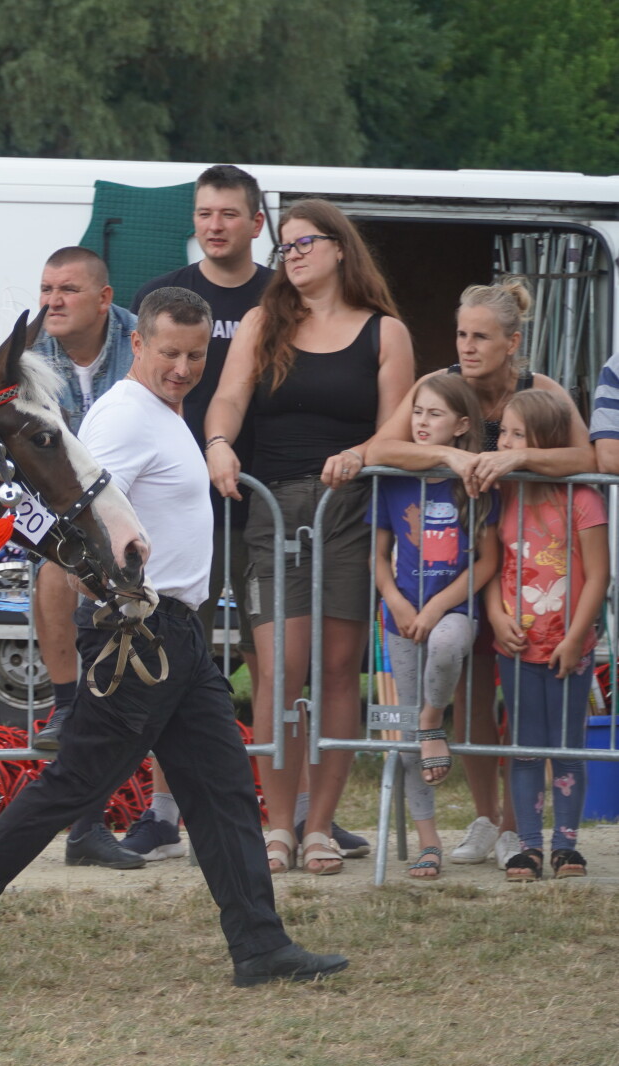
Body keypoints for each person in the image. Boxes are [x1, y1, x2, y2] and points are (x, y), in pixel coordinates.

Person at [0, 287, 349, 990]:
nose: (183, 367)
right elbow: (62, 514)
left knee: (224, 789)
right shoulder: (121, 419)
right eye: (169, 352)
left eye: (196, 355)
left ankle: (260, 944)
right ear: (138, 343)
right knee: (74, 784)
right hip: (136, 634)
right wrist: (98, 622)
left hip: (178, 634)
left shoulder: (165, 414)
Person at [348, 279, 605, 868]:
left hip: (523, 564)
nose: (467, 346)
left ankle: (525, 831)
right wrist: (450, 455)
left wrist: (520, 455)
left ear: (512, 342)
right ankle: (488, 820)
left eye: (481, 337)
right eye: (462, 333)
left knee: (520, 697)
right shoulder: (441, 386)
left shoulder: (541, 391)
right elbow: (379, 449)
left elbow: (590, 456)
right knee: (472, 683)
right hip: (464, 568)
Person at [204, 199, 416, 876]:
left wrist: (362, 453)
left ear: (340, 249)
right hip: (271, 507)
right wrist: (217, 443)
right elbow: (231, 396)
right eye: (285, 247)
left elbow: (398, 428)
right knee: (278, 670)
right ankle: (278, 825)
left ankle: (319, 827)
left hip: (350, 509)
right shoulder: (265, 322)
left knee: (334, 671)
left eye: (303, 244)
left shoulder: (385, 333)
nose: (291, 256)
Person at [119, 165, 273, 864]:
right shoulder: (162, 295)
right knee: (175, 655)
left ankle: (287, 811)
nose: (215, 225)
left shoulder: (283, 296)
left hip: (263, 500)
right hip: (179, 506)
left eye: (229, 214)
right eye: (204, 213)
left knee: (272, 659)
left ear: (256, 223)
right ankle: (161, 812)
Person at [25, 247, 141, 870]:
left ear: (104, 298)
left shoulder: (141, 341)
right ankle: (64, 701)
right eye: (46, 288)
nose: (53, 301)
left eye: (68, 289)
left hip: (137, 512)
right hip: (60, 522)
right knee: (57, 568)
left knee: (161, 695)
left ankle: (170, 820)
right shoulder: (23, 354)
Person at [367, 375, 496, 878]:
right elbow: (378, 556)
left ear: (462, 425)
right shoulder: (392, 477)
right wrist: (396, 601)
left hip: (453, 613)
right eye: (417, 412)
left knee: (445, 646)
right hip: (399, 617)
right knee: (401, 724)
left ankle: (432, 719)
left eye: (435, 414)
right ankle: (427, 839)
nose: (421, 422)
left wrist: (438, 606)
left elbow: (485, 560)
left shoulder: (473, 484)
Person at [485, 390, 608, 882]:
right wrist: (495, 615)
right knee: (525, 748)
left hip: (567, 649)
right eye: (504, 433)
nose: (506, 444)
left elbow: (598, 575)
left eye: (518, 434)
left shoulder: (582, 498)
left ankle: (567, 847)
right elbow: (492, 567)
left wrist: (576, 639)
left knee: (566, 749)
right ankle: (529, 847)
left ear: (545, 443)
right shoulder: (504, 497)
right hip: (516, 647)